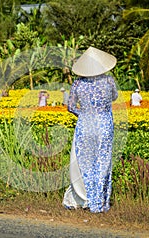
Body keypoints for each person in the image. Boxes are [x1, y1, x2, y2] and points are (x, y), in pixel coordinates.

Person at [62, 46, 118, 213]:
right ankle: (99, 202)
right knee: (103, 162)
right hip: (104, 125)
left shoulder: (78, 83)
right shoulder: (108, 81)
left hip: (85, 125)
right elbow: (113, 97)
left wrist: (85, 113)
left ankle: (85, 199)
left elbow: (71, 107)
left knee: (84, 163)